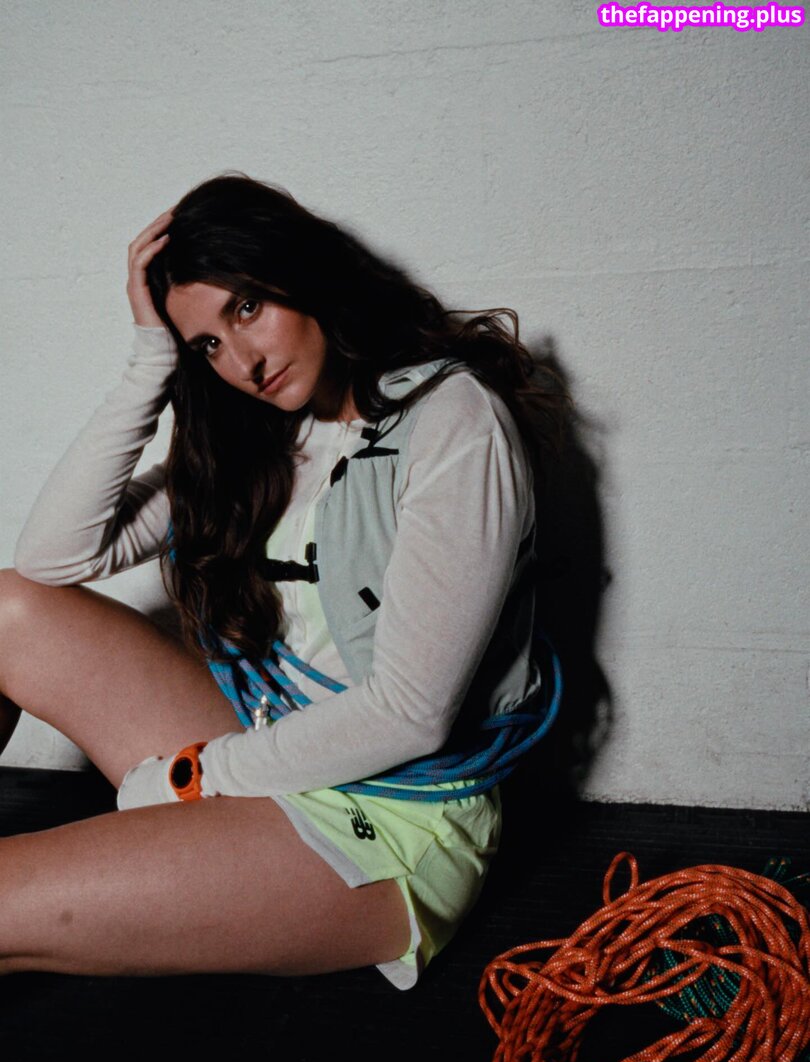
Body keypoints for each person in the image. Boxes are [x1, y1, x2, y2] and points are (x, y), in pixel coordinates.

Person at [0, 174, 566, 988]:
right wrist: (150, 360)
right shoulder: (260, 440)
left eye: (246, 308)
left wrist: (196, 777)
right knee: (8, 607)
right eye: (207, 345)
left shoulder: (453, 421)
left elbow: (410, 716)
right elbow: (53, 559)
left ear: (303, 273)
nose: (243, 362)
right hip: (267, 737)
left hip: (393, 814)